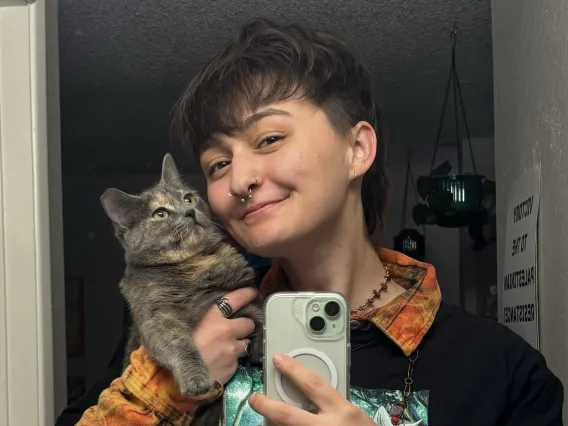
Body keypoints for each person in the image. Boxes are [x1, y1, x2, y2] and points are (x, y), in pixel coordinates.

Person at [76, 18, 564, 426]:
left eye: (268, 139)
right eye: (217, 165)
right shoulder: (185, 334)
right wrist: (169, 387)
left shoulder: (502, 371)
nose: (239, 179)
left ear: (357, 149)